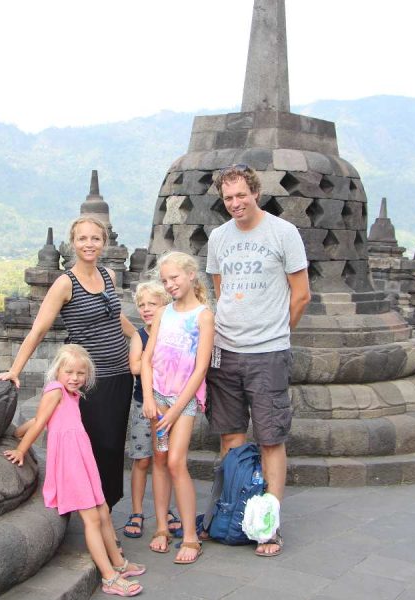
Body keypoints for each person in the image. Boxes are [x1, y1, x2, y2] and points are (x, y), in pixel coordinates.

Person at [0, 216, 135, 509]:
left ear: (104, 242)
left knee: (113, 446)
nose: (89, 244)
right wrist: (15, 370)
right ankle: (93, 508)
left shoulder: (108, 275)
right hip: (88, 379)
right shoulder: (65, 283)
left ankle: (106, 508)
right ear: (73, 243)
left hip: (120, 374)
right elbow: (38, 330)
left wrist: (140, 339)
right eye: (82, 238)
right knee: (95, 444)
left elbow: (115, 317)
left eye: (95, 238)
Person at [205, 163, 311, 557]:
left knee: (270, 438)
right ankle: (230, 513)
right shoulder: (219, 237)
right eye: (228, 198)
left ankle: (268, 525)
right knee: (230, 437)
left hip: (268, 352)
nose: (235, 203)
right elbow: (221, 290)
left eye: (241, 195)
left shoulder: (283, 233)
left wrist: (277, 331)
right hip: (225, 350)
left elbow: (301, 294)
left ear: (256, 193)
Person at [4, 345, 145, 597]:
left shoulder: (73, 395)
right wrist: (21, 449)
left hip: (82, 457)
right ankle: (109, 577)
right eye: (69, 372)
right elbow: (40, 422)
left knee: (103, 510)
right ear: (57, 371)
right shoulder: (55, 390)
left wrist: (15, 433)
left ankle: (118, 562)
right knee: (92, 518)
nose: (75, 377)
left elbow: (38, 420)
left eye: (80, 373)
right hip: (70, 461)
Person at [141, 252, 214, 565]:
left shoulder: (203, 316)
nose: (170, 284)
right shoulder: (163, 313)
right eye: (165, 280)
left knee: (175, 461)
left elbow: (201, 368)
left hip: (183, 402)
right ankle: (161, 527)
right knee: (159, 459)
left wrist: (175, 410)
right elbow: (147, 359)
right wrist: (148, 398)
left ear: (191, 275)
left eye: (175, 278)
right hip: (158, 396)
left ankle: (190, 536)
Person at [122, 280, 182, 540]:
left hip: (169, 406)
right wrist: (158, 360)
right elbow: (135, 367)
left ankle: (164, 509)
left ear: (165, 305)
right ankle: (137, 511)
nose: (146, 309)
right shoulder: (140, 335)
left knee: (164, 459)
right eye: (142, 305)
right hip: (142, 405)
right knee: (142, 459)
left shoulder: (174, 333)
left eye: (152, 304)